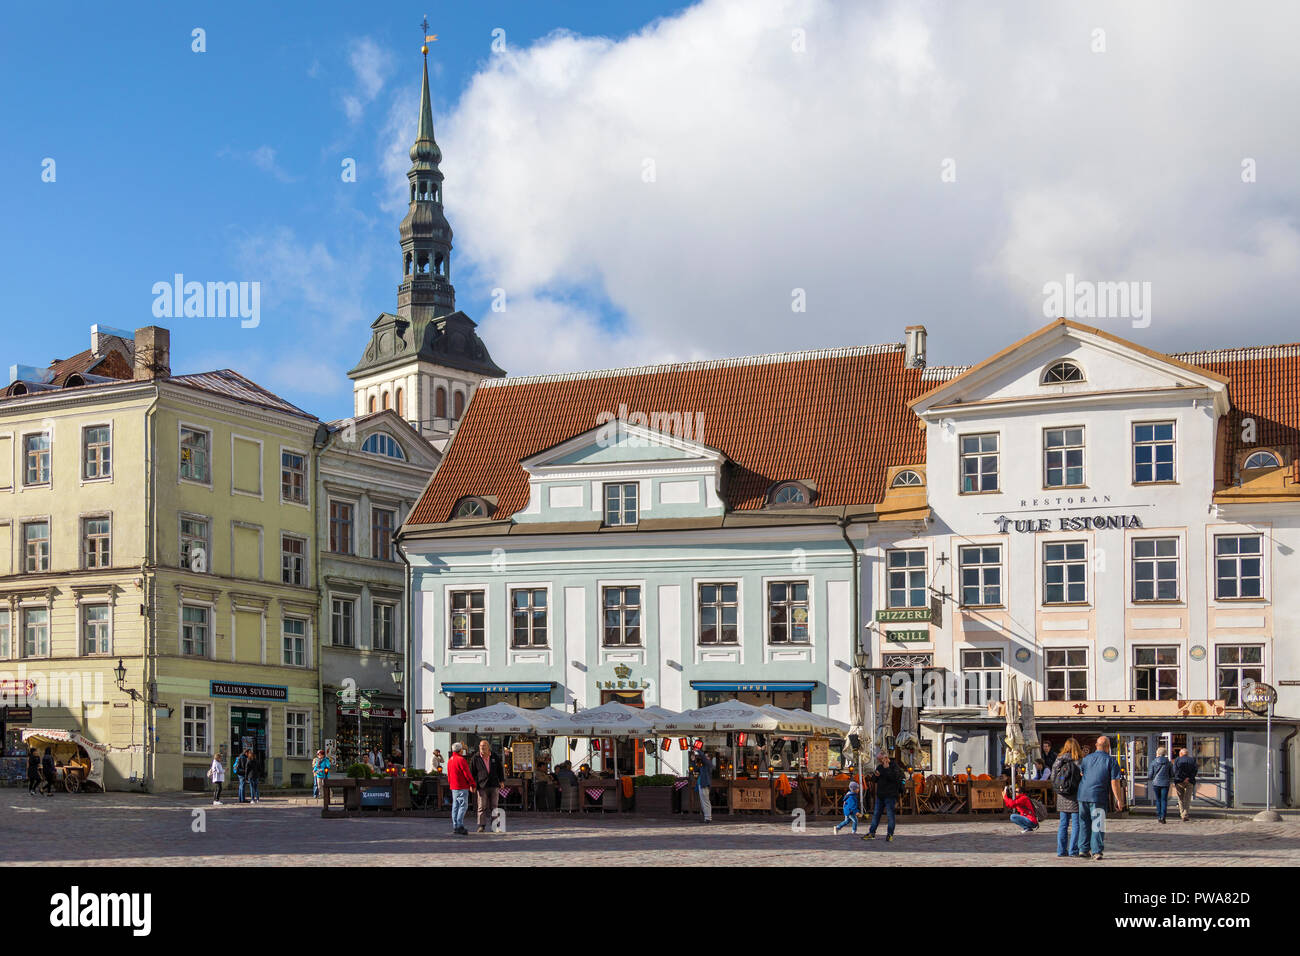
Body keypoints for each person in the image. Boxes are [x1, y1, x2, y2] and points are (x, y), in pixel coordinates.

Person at [1077, 735, 1124, 860]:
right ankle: (1097, 851)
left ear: (1096, 745)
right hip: (1097, 795)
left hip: (1082, 795)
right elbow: (1115, 781)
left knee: (1084, 823)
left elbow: (1082, 773)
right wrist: (1118, 799)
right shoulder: (1111, 761)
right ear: (1108, 747)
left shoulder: (1086, 759)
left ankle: (1083, 849)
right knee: (1097, 824)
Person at [1051, 737, 1084, 857]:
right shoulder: (1079, 761)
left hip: (1062, 795)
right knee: (1076, 825)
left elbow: (1053, 777)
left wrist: (1058, 790)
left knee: (1063, 824)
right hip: (1075, 795)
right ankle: (1073, 850)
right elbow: (1083, 778)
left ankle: (1061, 851)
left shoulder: (1059, 760)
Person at [863, 752, 903, 842]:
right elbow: (874, 780)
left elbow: (895, 778)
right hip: (880, 795)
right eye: (879, 760)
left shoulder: (894, 766)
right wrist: (875, 776)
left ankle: (890, 834)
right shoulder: (880, 767)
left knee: (890, 815)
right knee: (876, 815)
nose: (880, 761)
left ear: (886, 757)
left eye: (881, 759)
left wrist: (887, 769)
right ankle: (872, 833)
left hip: (890, 795)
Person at [469, 739, 504, 833]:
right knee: (481, 807)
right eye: (481, 746)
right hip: (481, 785)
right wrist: (472, 784)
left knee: (495, 806)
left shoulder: (494, 756)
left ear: (488, 747)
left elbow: (500, 769)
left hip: (494, 784)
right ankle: (481, 826)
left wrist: (501, 781)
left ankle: (495, 826)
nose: (482, 748)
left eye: (484, 746)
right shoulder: (475, 758)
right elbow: (472, 773)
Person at [446, 741, 474, 835]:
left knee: (455, 806)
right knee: (463, 805)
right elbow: (467, 773)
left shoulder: (450, 759)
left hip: (454, 786)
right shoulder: (461, 760)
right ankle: (459, 825)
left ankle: (455, 825)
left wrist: (450, 783)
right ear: (460, 750)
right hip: (461, 786)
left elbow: (449, 774)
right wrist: (472, 784)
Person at [1148, 746, 1173, 824]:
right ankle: (1163, 816)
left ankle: (1159, 816)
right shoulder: (1168, 763)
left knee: (1158, 800)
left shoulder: (1153, 762)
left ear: (1158, 753)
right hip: (1165, 783)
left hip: (1156, 783)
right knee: (1164, 800)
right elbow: (1172, 774)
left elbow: (1150, 775)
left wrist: (1151, 778)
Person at [1172, 747, 1198, 821]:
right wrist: (1188, 778)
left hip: (1179, 781)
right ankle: (1185, 814)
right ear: (1187, 754)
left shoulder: (1177, 760)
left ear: (1181, 754)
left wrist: (1182, 778)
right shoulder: (1192, 760)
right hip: (1190, 781)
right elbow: (1195, 770)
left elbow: (1175, 771)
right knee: (1187, 798)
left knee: (1180, 798)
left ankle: (1182, 814)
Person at [691, 748, 714, 822]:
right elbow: (695, 769)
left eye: (706, 756)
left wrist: (698, 750)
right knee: (703, 801)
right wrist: (693, 761)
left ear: (709, 758)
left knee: (706, 801)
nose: (704, 757)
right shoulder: (704, 766)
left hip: (704, 784)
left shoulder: (708, 764)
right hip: (701, 784)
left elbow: (703, 758)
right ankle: (706, 817)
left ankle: (708, 817)